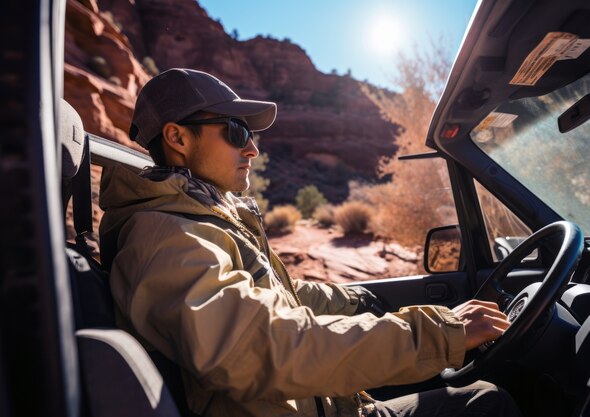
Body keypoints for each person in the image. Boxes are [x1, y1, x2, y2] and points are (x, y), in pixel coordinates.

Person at [99, 68, 522, 417]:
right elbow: (261, 344)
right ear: (177, 138)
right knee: (487, 404)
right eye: (234, 131)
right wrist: (436, 334)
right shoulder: (165, 238)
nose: (252, 149)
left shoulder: (202, 217)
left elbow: (284, 296)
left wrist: (359, 302)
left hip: (328, 406)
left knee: (481, 398)